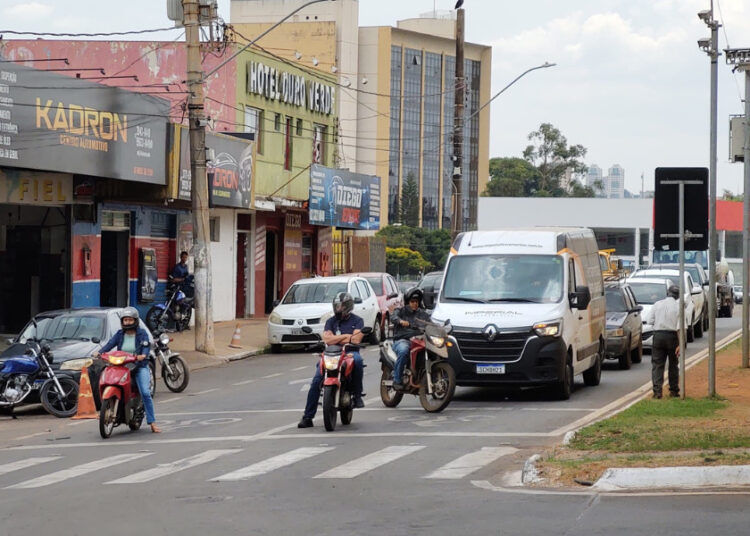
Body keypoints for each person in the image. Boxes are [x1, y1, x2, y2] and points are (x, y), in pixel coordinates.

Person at [298, 292, 365, 428]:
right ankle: (308, 416)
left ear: (347, 306)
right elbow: (327, 339)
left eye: (340, 306)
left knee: (358, 361)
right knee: (317, 380)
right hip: (331, 354)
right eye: (336, 306)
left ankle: (357, 396)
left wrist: (339, 338)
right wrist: (347, 336)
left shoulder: (358, 321)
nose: (338, 309)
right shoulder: (331, 321)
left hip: (349, 353)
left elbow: (356, 339)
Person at [97, 307, 161, 433]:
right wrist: (99, 352)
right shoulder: (120, 334)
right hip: (122, 366)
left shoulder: (142, 333)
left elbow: (146, 346)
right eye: (125, 320)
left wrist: (143, 355)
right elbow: (110, 344)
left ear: (135, 321)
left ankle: (152, 422)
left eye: (130, 320)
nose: (127, 322)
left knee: (145, 393)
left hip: (138, 366)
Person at [644, 285, 681, 399]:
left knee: (657, 364)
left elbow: (649, 320)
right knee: (673, 364)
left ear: (667, 293)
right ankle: (673, 390)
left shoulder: (657, 304)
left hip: (658, 335)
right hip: (672, 336)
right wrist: (680, 344)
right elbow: (680, 327)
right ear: (678, 296)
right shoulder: (679, 306)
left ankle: (657, 392)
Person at [391, 288, 432, 391]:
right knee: (404, 351)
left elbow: (431, 324)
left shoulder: (423, 314)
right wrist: (400, 321)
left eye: (417, 302)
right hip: (403, 340)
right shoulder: (401, 310)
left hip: (419, 340)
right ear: (408, 302)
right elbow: (393, 316)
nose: (415, 304)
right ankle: (397, 379)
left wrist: (441, 327)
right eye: (412, 302)